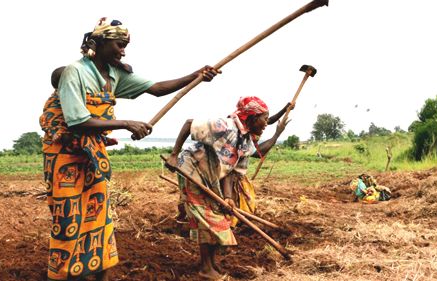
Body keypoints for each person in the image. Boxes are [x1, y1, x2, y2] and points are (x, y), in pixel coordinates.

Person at [39, 17, 220, 281]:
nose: (123, 50)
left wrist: (196, 76)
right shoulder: (74, 72)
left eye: (125, 45)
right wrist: (126, 123)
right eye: (119, 44)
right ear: (97, 44)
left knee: (97, 215)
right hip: (65, 157)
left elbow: (157, 89)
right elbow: (78, 120)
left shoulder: (114, 74)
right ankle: (66, 274)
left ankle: (94, 272)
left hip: (92, 155)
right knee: (69, 218)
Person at [165, 96, 288, 280]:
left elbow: (231, 172)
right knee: (207, 217)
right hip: (192, 170)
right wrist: (174, 155)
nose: (266, 123)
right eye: (264, 118)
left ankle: (211, 263)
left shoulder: (245, 141)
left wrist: (228, 197)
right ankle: (205, 269)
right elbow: (189, 123)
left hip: (212, 176)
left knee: (220, 213)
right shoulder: (225, 126)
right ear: (252, 118)